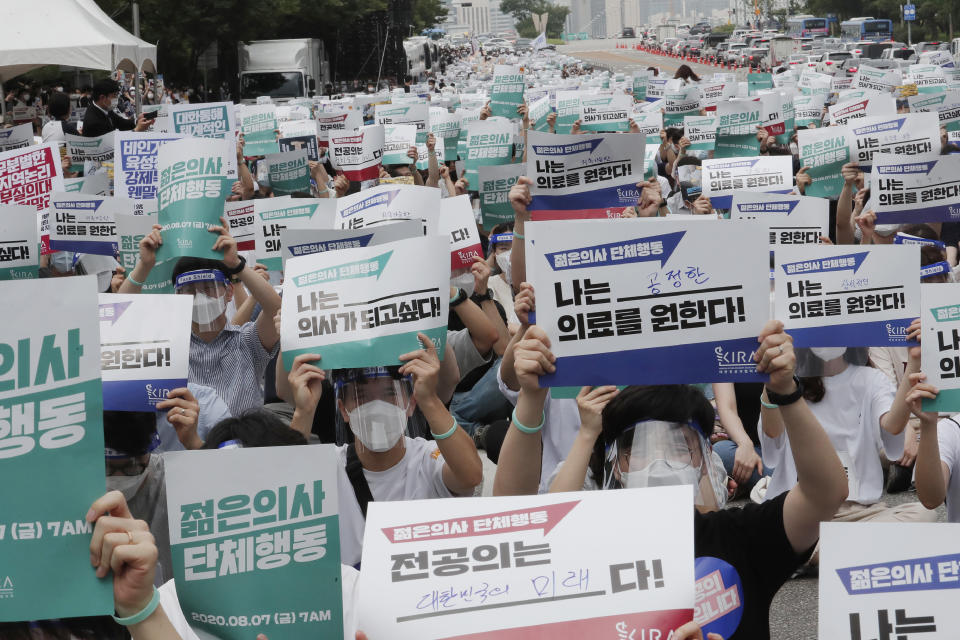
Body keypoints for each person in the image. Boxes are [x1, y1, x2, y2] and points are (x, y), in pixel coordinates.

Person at [492, 321, 849, 640]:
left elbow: (825, 493)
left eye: (680, 445)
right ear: (618, 465)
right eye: (640, 446)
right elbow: (514, 515)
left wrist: (785, 390)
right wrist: (532, 399)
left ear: (704, 459)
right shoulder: (591, 550)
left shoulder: (738, 536)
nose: (660, 459)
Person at [285, 334, 483, 567]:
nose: (377, 406)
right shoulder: (330, 467)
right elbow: (283, 500)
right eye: (362, 396)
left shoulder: (427, 458)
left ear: (410, 403)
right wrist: (303, 412)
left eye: (390, 394)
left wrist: (429, 398)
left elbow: (470, 476)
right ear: (344, 410)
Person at [120, 220, 282, 417]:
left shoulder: (247, 341)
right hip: (183, 444)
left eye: (208, 288)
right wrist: (144, 266)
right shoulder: (168, 348)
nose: (200, 298)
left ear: (229, 292)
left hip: (243, 443)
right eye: (189, 291)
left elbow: (276, 309)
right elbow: (123, 317)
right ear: (177, 297)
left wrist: (236, 265)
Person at [81, 78, 148, 138]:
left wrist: (138, 121)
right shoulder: (93, 121)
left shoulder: (105, 109)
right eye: (114, 95)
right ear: (102, 98)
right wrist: (136, 130)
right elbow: (112, 143)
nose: (117, 99)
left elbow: (122, 123)